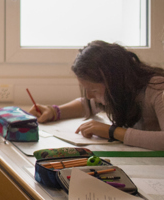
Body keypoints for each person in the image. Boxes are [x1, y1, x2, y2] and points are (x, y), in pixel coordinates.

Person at [27, 40, 164, 150]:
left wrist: (113, 132)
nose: (89, 96)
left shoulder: (157, 88)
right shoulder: (120, 91)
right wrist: (54, 111)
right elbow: (86, 104)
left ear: (114, 82)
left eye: (94, 90)